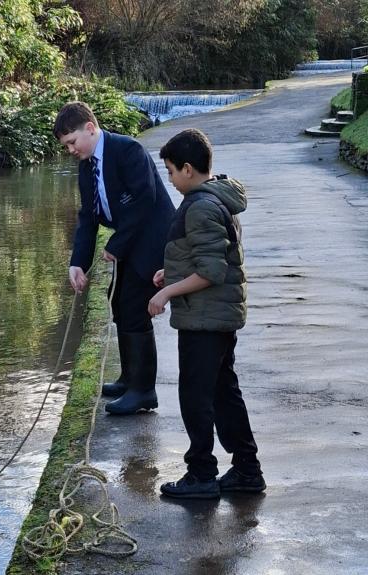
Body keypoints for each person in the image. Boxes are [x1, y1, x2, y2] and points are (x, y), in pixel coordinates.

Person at [148, 128, 264, 498]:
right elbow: (213, 257)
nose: (169, 179)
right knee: (223, 392)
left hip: (205, 319)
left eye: (169, 171)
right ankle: (247, 469)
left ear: (186, 168)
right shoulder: (217, 198)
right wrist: (173, 272)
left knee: (196, 397)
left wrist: (166, 292)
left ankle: (201, 474)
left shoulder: (200, 205)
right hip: (218, 317)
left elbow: (212, 272)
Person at [53, 102, 174, 415]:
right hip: (130, 239)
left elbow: (144, 200)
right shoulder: (86, 166)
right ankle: (128, 378)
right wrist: (76, 262)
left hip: (152, 238)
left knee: (135, 309)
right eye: (65, 145)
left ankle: (144, 391)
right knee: (118, 303)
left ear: (90, 129)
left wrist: (116, 244)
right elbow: (87, 217)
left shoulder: (128, 150)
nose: (70, 150)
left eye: (72, 142)